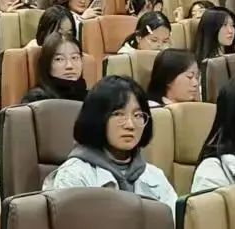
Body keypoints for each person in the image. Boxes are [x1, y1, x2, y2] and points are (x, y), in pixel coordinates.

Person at [43, 76, 178, 209]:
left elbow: (175, 221)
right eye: (118, 114)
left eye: (138, 115)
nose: (130, 125)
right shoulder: (74, 176)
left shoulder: (155, 176)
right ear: (97, 118)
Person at [20, 32, 88, 104]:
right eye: (59, 59)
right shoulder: (37, 99)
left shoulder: (91, 97)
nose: (69, 66)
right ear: (47, 64)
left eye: (74, 57)